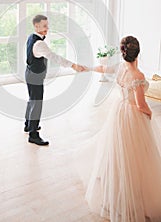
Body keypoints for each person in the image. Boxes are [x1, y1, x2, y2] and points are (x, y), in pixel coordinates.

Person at [83, 36, 161, 222]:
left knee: (120, 153)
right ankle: (134, 195)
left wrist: (90, 67)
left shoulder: (120, 68)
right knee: (136, 155)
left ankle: (117, 191)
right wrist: (150, 116)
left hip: (119, 111)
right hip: (132, 115)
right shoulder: (138, 76)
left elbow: (104, 69)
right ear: (138, 53)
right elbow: (141, 105)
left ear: (122, 52)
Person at [25, 14, 85, 146]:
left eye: (47, 25)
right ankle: (33, 134)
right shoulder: (39, 43)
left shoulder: (31, 37)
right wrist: (73, 65)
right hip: (35, 76)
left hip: (29, 73)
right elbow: (55, 57)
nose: (47, 28)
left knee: (32, 100)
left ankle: (28, 125)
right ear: (36, 26)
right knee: (37, 103)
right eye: (44, 25)